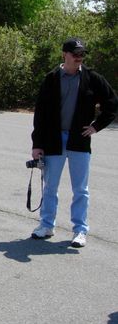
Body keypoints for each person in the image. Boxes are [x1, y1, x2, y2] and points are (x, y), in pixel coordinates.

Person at [30, 38, 117, 247]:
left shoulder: (92, 78)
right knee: (50, 186)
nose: (79, 57)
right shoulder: (51, 79)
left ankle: (79, 231)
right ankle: (46, 225)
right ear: (64, 55)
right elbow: (40, 114)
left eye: (82, 54)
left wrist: (96, 126)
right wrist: (37, 144)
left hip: (79, 141)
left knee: (81, 189)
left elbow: (112, 103)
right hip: (53, 140)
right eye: (75, 53)